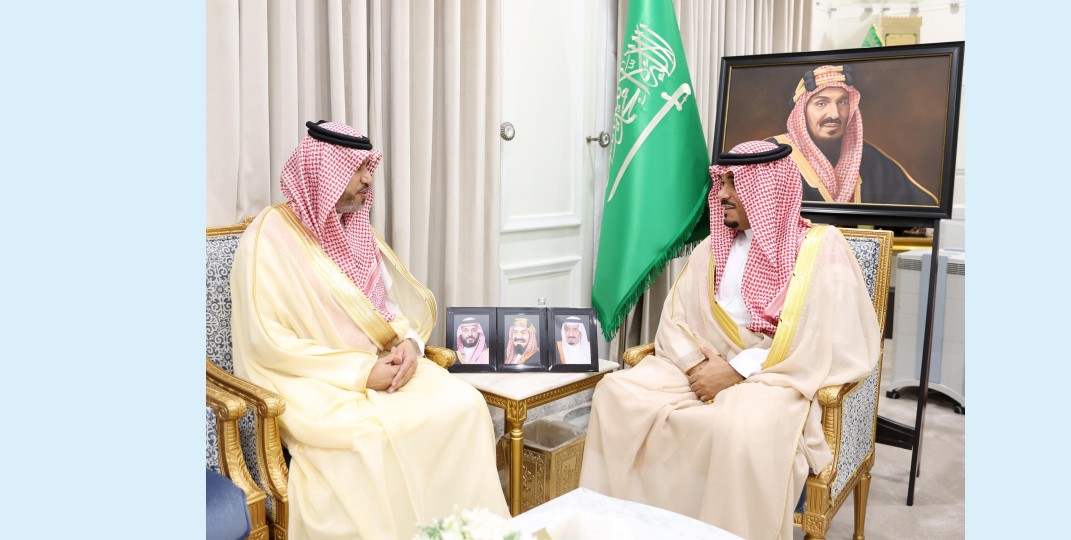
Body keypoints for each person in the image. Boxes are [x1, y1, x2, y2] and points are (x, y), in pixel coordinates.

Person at [579, 140, 880, 540]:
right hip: (699, 365)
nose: (720, 193)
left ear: (766, 188)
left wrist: (736, 371)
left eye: (733, 183)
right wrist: (697, 367)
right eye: (721, 182)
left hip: (778, 373)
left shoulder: (821, 250)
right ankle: (628, 528)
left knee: (738, 431)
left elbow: (824, 336)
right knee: (616, 394)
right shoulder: (712, 247)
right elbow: (676, 318)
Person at [231, 121, 507, 539]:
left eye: (368, 168)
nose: (368, 179)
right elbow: (268, 341)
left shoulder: (357, 230)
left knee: (465, 404)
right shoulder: (268, 238)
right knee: (366, 442)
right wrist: (361, 374)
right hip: (313, 382)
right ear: (324, 172)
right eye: (357, 168)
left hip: (385, 368)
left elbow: (388, 312)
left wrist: (411, 346)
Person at [767, 64, 938, 206]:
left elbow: (922, 208)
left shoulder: (869, 158)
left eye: (842, 102)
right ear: (802, 111)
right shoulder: (771, 155)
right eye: (821, 103)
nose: (834, 114)